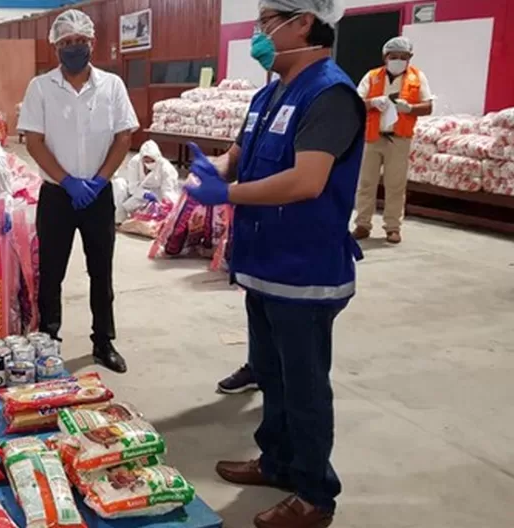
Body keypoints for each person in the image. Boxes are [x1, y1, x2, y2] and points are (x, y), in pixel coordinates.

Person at [186, 1, 364, 526]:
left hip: (304, 269)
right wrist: (212, 168)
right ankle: (277, 461)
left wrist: (230, 192)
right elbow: (241, 153)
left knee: (305, 386)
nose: (259, 35)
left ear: (303, 21)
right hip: (264, 265)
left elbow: (308, 180)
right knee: (274, 378)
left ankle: (314, 495)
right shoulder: (270, 91)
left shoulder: (329, 94)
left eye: (267, 24)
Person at [18, 9, 139, 373]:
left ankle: (103, 342)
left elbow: (124, 137)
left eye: (80, 42)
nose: (73, 47)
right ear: (55, 47)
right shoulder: (41, 87)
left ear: (92, 44)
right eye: (66, 42)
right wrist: (68, 181)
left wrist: (99, 181)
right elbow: (35, 142)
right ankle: (48, 342)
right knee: (51, 273)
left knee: (101, 272)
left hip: (98, 196)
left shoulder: (112, 86)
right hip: (57, 195)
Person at [352, 36, 433, 244]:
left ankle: (392, 228)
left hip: (399, 139)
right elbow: (355, 103)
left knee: (395, 185)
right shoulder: (372, 76)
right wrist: (372, 102)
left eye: (403, 57)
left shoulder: (417, 78)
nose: (398, 60)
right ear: (385, 57)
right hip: (372, 137)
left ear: (410, 58)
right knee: (366, 183)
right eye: (394, 56)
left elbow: (428, 106)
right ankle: (362, 224)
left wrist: (410, 109)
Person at [112, 139, 179, 224]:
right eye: (146, 161)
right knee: (119, 183)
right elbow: (133, 187)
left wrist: (164, 205)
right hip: (138, 193)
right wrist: (144, 194)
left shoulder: (166, 168)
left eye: (152, 161)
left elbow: (168, 190)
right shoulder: (135, 162)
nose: (149, 163)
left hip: (158, 195)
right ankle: (119, 220)